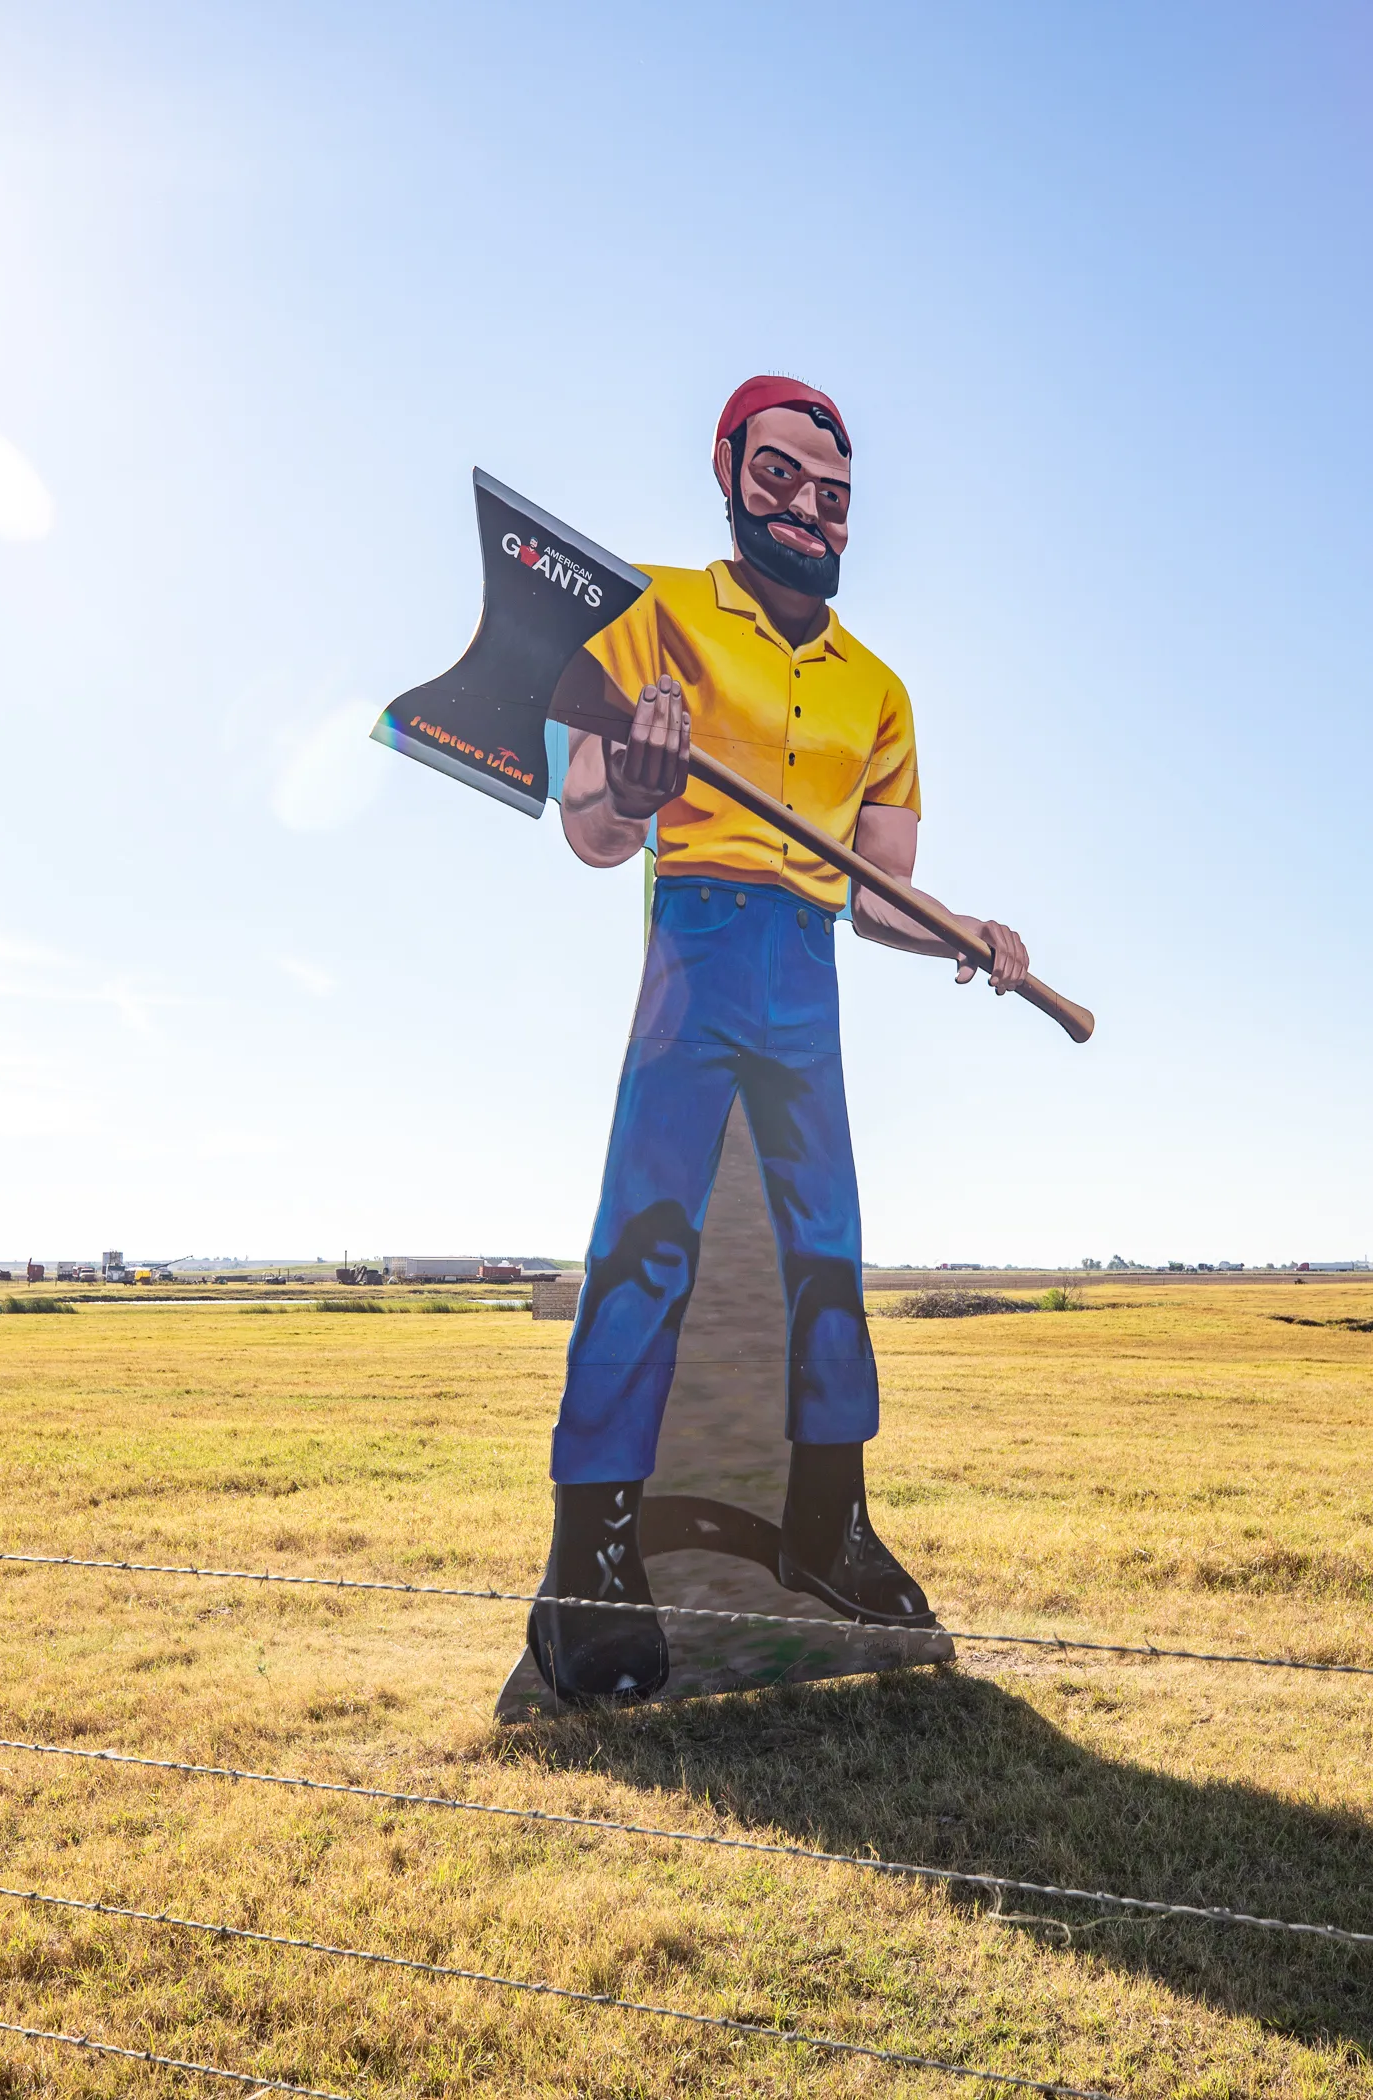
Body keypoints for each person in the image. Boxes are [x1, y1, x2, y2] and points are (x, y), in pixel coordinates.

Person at [528, 375, 1028, 1702]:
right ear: (727, 471)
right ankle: (590, 1562)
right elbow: (587, 823)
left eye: (834, 493)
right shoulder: (650, 611)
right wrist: (627, 788)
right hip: (695, 944)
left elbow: (879, 894)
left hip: (806, 967)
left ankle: (830, 1526)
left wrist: (965, 930)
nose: (808, 507)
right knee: (645, 1241)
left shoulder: (880, 689)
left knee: (827, 1252)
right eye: (780, 479)